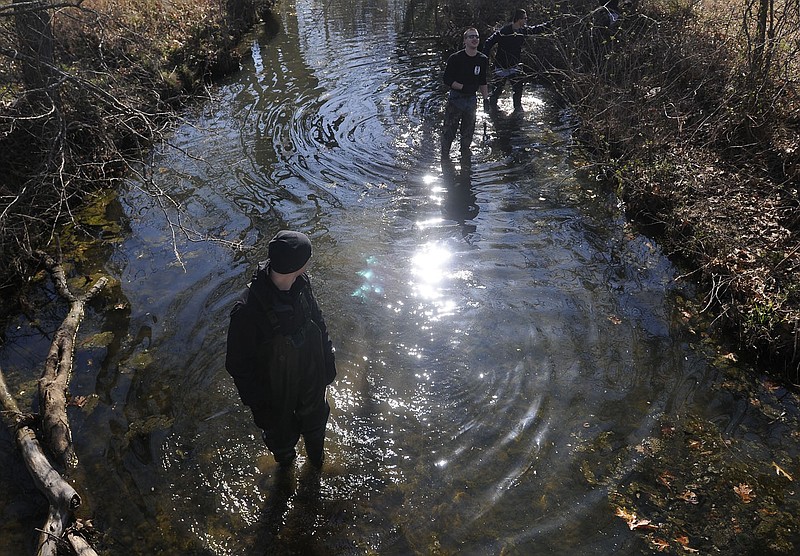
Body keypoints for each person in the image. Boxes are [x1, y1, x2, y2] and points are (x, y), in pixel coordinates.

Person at [225, 230, 337, 469]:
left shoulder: (302, 284)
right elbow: (238, 366)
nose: (309, 262)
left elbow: (319, 322)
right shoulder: (246, 310)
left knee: (316, 431)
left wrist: (328, 365)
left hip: (310, 382)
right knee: (283, 444)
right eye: (308, 257)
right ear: (298, 265)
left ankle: (316, 466)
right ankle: (286, 476)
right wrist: (260, 408)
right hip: (274, 397)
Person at [482, 9, 548, 111]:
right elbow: (489, 42)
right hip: (501, 66)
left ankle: (517, 114)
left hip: (515, 66)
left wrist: (551, 24)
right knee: (496, 92)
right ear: (518, 19)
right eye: (525, 18)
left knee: (518, 91)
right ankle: (492, 112)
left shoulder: (523, 31)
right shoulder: (504, 31)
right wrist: (485, 58)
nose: (526, 20)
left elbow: (536, 29)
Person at [441, 27, 490, 163]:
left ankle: (465, 158)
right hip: (456, 99)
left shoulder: (482, 59)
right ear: (465, 41)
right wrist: (463, 87)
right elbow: (447, 80)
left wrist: (486, 99)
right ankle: (444, 159)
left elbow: (483, 80)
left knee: (468, 132)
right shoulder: (455, 58)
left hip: (471, 101)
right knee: (449, 132)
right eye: (471, 37)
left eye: (477, 37)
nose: (474, 39)